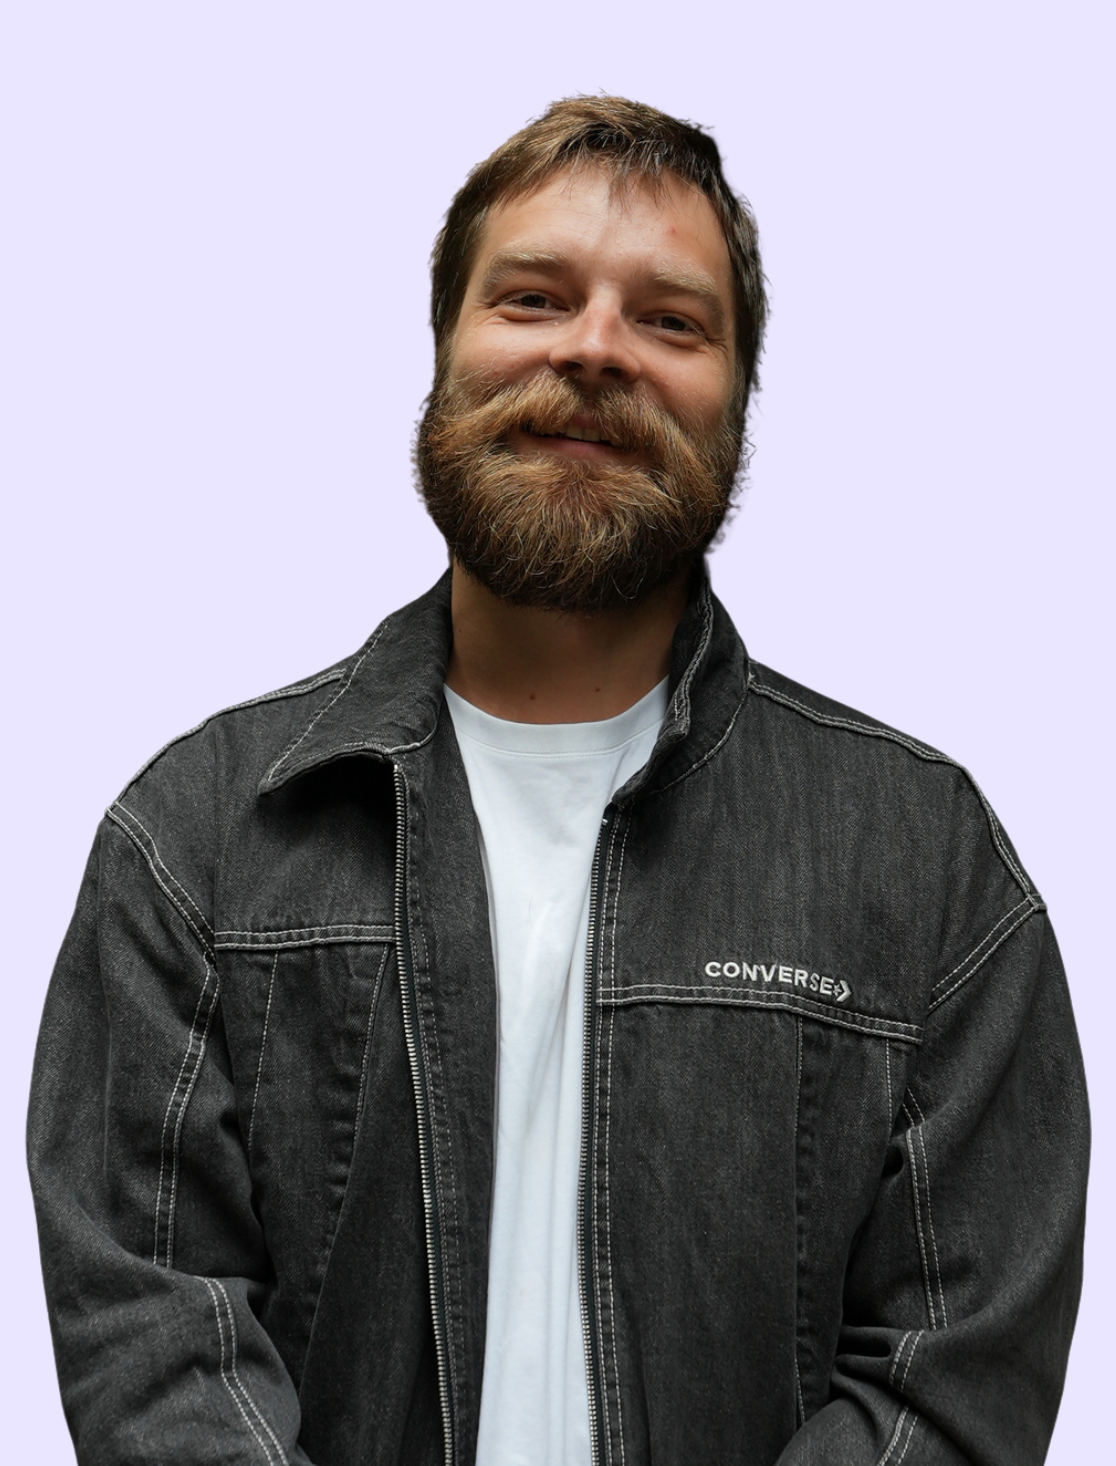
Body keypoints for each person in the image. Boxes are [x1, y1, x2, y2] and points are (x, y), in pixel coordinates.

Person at [28, 95, 1088, 1466]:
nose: (593, 347)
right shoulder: (196, 839)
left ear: (738, 403)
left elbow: (954, 1377)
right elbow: (153, 1333)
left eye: (671, 319)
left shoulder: (926, 862)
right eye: (533, 298)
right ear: (444, 355)